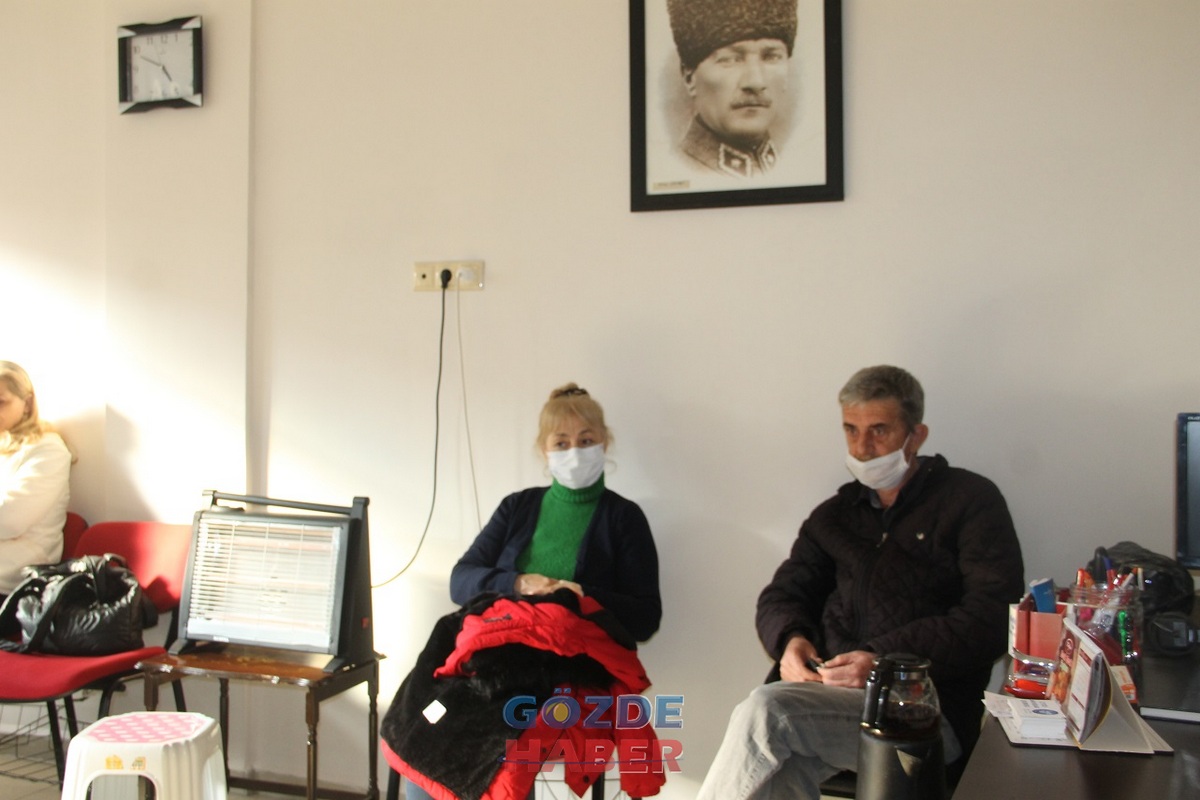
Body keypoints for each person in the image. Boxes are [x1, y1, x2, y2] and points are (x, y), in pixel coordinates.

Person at [697, 365, 1025, 800]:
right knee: (777, 757)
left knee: (769, 712)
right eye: (851, 430)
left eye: (879, 431)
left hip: (924, 711)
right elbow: (783, 594)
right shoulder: (835, 515)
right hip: (825, 697)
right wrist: (790, 641)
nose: (863, 448)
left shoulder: (969, 501)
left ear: (916, 435)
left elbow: (992, 616)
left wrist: (882, 661)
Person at [401, 382, 662, 800]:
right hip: (493, 656)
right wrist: (519, 583)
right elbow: (461, 580)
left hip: (569, 669)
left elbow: (646, 618)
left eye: (586, 440)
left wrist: (579, 594)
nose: (574, 451)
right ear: (544, 450)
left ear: (605, 442)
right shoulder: (517, 507)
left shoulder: (624, 519)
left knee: (498, 745)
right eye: (562, 442)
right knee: (424, 733)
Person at [667, 0, 797, 178]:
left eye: (771, 57)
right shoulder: (671, 169)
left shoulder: (799, 166)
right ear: (689, 77)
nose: (756, 82)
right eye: (730, 59)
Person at [0, 361, 73, 600]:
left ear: (27, 404)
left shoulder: (47, 449)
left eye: (1, 402)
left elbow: (9, 520)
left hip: (17, 577)